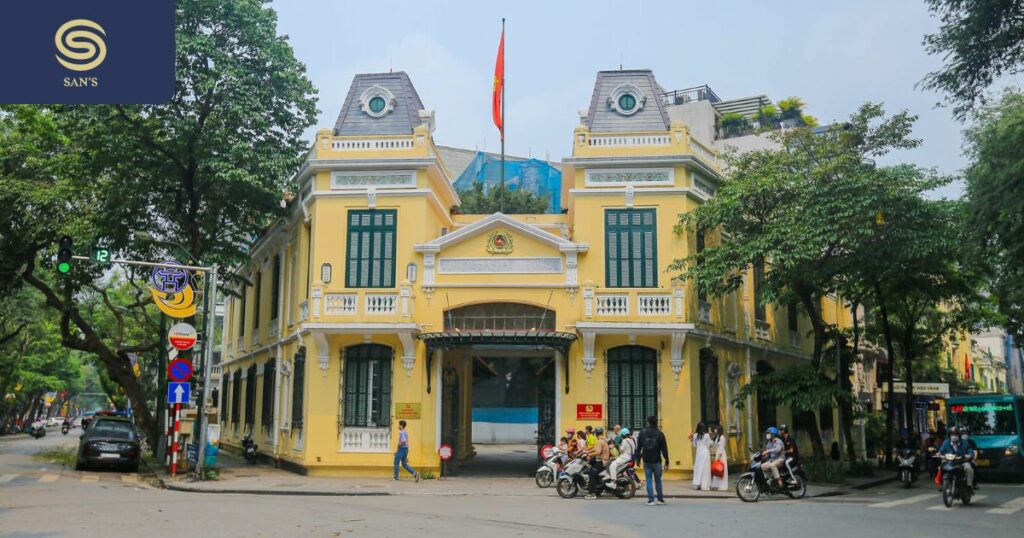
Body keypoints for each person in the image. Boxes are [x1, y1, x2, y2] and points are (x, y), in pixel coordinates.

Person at [635, 415, 669, 506]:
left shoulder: (642, 433)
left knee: (648, 479)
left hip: (646, 460)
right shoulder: (660, 434)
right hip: (657, 460)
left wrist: (638, 459)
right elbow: (664, 449)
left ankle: (651, 500)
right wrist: (667, 461)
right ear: (656, 422)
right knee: (658, 480)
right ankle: (660, 499)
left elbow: (638, 447)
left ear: (648, 422)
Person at [937, 427, 974, 492]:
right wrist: (938, 454)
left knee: (968, 468)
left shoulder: (964, 443)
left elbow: (970, 451)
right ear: (949, 436)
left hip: (962, 462)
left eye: (955, 435)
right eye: (952, 435)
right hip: (949, 462)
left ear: (959, 436)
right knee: (940, 467)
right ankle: (943, 484)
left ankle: (969, 486)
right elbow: (941, 451)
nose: (953, 436)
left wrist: (969, 455)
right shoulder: (946, 443)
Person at [584, 426, 611, 500]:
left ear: (596, 434)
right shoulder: (602, 440)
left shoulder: (600, 441)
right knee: (591, 468)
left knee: (592, 473)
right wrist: (587, 451)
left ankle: (592, 493)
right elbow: (595, 448)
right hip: (602, 461)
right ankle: (596, 489)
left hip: (602, 461)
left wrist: (589, 455)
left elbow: (598, 452)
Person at [689, 422, 711, 490]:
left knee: (698, 468)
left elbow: (694, 445)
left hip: (699, 453)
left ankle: (697, 484)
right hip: (705, 452)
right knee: (705, 469)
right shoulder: (707, 435)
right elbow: (708, 445)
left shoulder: (695, 435)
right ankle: (704, 485)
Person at [709, 424, 729, 491]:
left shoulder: (722, 437)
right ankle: (717, 485)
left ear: (719, 430)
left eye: (716, 429)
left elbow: (721, 447)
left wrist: (719, 457)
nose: (715, 430)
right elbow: (713, 444)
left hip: (721, 455)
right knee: (717, 470)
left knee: (721, 469)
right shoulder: (717, 437)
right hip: (718, 454)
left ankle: (722, 486)